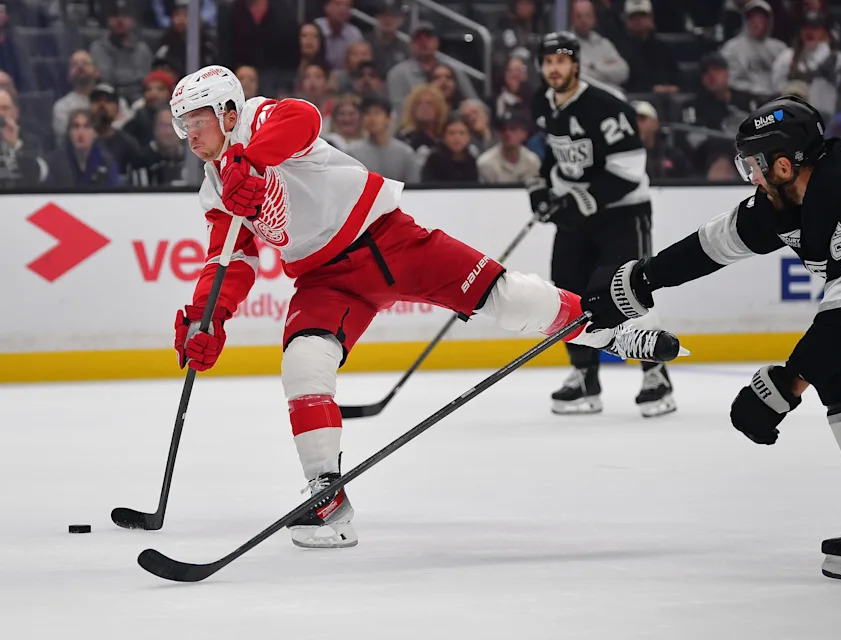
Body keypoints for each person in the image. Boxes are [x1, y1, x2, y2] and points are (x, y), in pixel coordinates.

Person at [168, 65, 673, 550]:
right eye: (182, 125)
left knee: (508, 296)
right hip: (325, 280)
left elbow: (303, 117)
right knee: (302, 361)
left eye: (197, 121)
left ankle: (609, 332)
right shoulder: (214, 187)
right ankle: (327, 496)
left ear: (229, 111)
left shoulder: (258, 118)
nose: (189, 136)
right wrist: (208, 316)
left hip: (387, 240)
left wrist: (252, 159)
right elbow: (229, 259)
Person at [583, 95, 841, 581]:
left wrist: (787, 385)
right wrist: (640, 281)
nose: (750, 177)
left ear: (784, 164)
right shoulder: (788, 195)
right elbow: (715, 244)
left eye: (753, 166)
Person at [530, 32, 674, 417]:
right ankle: (584, 376)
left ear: (576, 64)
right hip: (579, 216)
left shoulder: (607, 106)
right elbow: (552, 155)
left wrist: (581, 200)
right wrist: (540, 188)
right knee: (567, 293)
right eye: (548, 61)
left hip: (622, 213)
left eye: (561, 60)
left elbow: (628, 171)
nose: (554, 68)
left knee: (626, 291)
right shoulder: (543, 103)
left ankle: (655, 374)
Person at [721, 0, 787, 106]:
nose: (756, 22)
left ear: (769, 21)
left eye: (761, 18)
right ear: (745, 20)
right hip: (746, 99)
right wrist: (755, 90)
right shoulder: (731, 48)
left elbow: (786, 77)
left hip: (777, 97)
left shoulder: (780, 48)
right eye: (752, 17)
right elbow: (729, 80)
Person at [346, 95, 419, 184]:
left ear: (388, 118)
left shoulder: (405, 153)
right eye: (367, 114)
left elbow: (414, 188)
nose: (372, 119)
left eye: (377, 113)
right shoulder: (352, 153)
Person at [46, 109, 120, 188]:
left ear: (95, 133)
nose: (80, 133)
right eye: (76, 127)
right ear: (69, 133)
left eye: (86, 127)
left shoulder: (106, 162)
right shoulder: (54, 162)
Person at [477, 111, 541, 184]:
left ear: (524, 134)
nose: (507, 133)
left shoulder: (533, 161)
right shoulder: (486, 162)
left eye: (513, 129)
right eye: (503, 129)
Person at [53, 50, 100, 139]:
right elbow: (66, 139)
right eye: (75, 65)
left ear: (96, 72)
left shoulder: (111, 100)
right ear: (68, 76)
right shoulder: (61, 107)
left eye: (85, 63)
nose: (80, 67)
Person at [420, 117, 478, 183]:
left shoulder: (471, 161)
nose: (457, 137)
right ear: (444, 137)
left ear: (468, 137)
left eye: (462, 133)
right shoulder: (434, 160)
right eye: (451, 133)